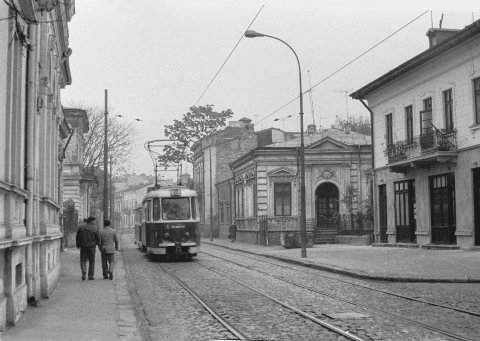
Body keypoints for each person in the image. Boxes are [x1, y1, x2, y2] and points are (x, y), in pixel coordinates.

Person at [76, 216, 100, 280]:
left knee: (83, 260)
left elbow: (77, 237)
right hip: (92, 247)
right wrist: (97, 244)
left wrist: (78, 245)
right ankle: (90, 276)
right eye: (94, 221)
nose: (94, 222)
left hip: (83, 246)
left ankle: (84, 271)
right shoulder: (95, 228)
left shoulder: (81, 227)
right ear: (92, 221)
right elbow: (98, 238)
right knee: (92, 261)